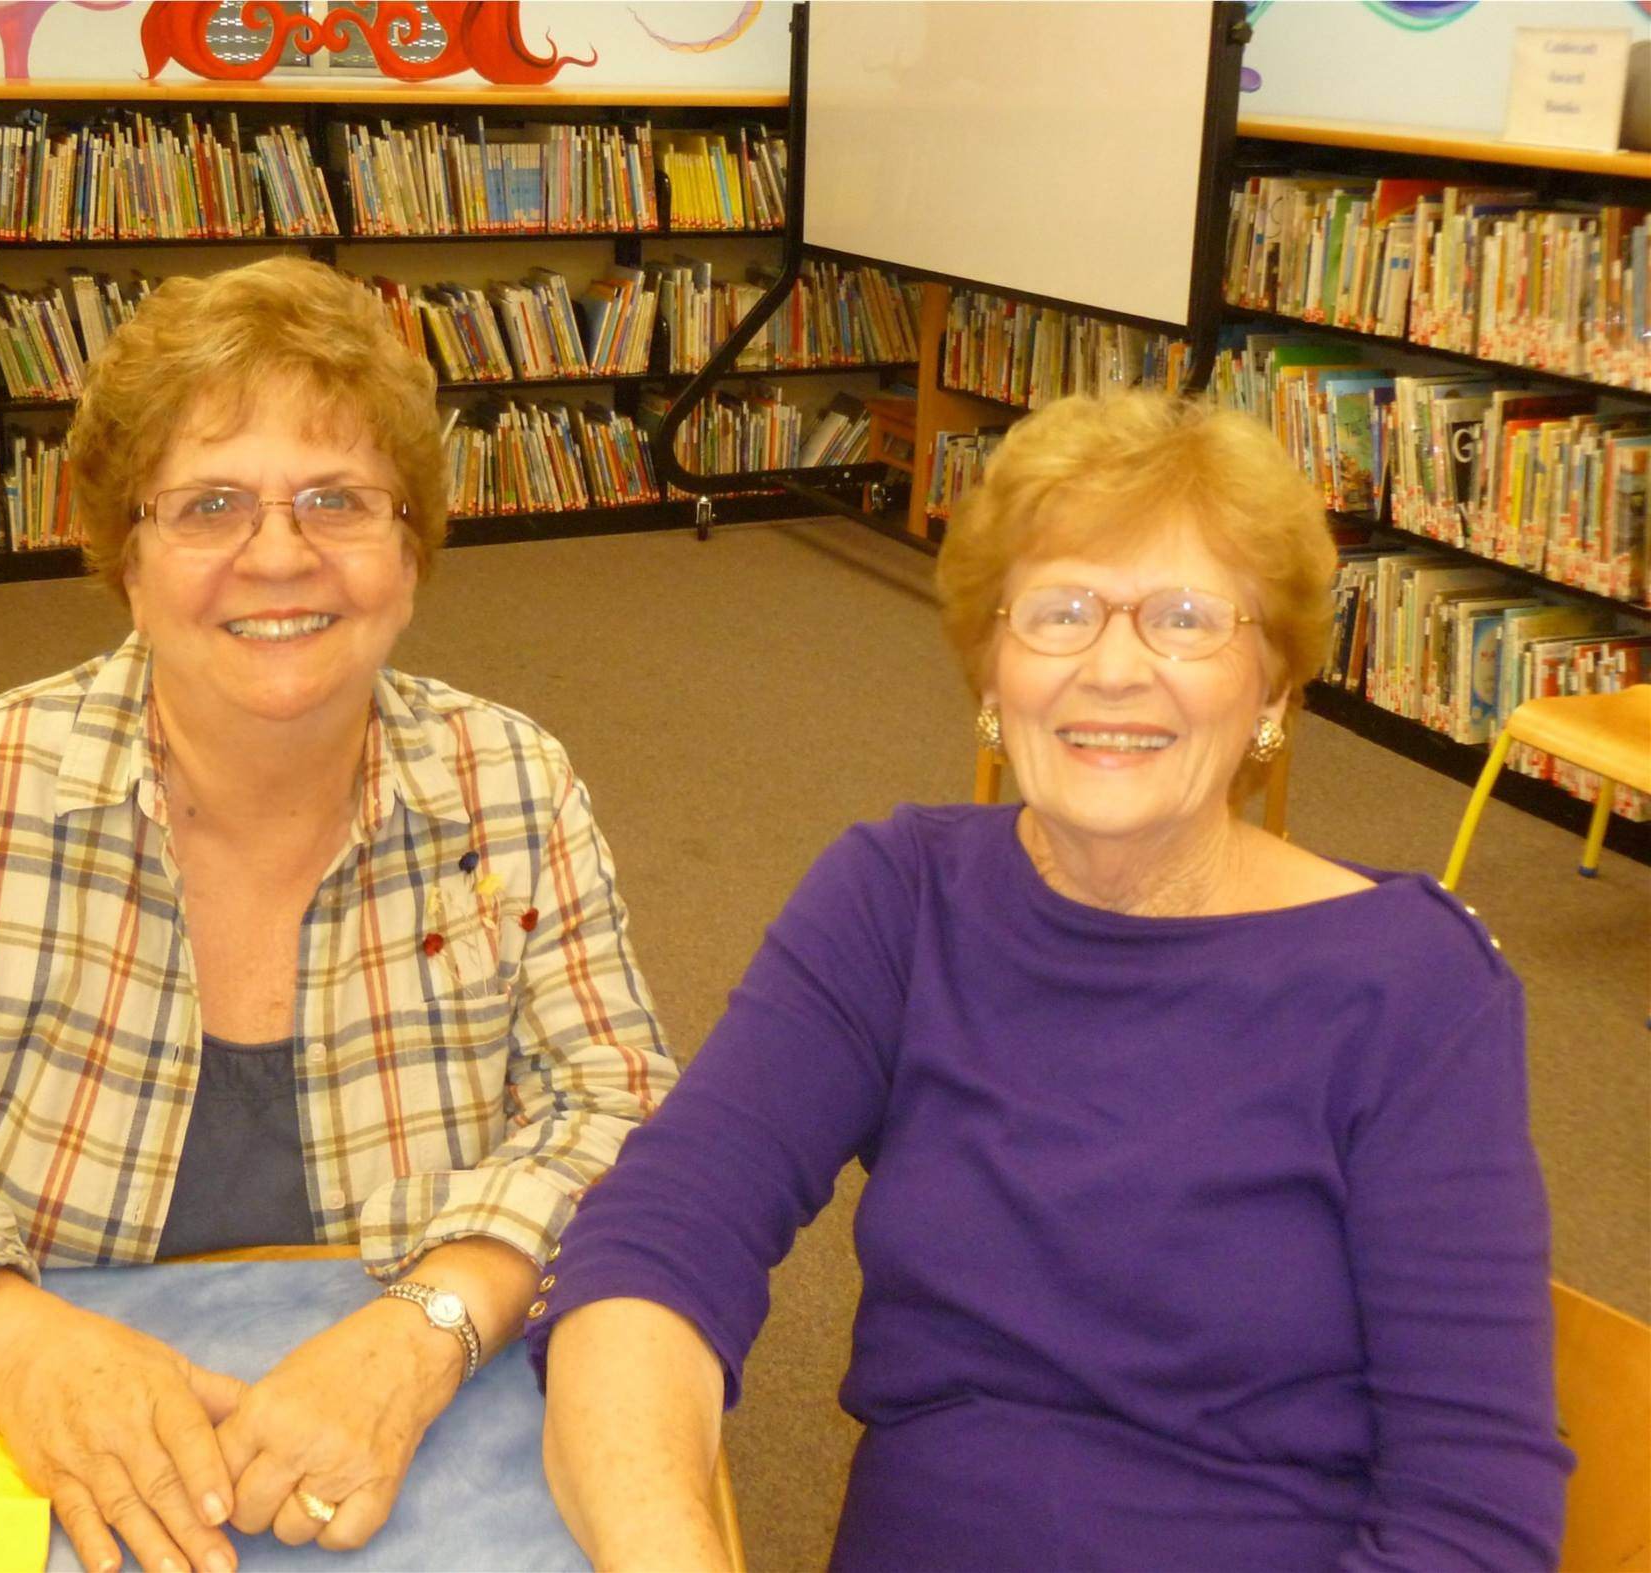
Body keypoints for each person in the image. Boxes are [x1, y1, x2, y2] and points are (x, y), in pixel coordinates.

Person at [0, 255, 674, 1573]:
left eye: (337, 499)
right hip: (47, 1484)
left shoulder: (509, 785)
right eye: (209, 504)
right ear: (125, 554)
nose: (279, 554)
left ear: (410, 545)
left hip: (409, 1465)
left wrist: (435, 1321)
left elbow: (628, 1120)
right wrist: (11, 1340)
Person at [530, 392, 1569, 1571]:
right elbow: (665, 1229)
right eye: (1059, 611)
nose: (1112, 668)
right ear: (990, 670)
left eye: (1184, 617)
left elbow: (1472, 1509)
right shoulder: (899, 895)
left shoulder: (1410, 985)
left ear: (1272, 690)